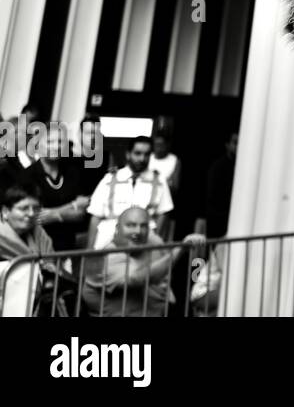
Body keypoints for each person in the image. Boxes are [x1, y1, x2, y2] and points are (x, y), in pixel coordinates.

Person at [79, 206, 206, 317]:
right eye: (130, 225)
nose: (138, 231)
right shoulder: (102, 258)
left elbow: (164, 267)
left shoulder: (150, 240)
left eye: (143, 226)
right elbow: (136, 279)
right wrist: (180, 249)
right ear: (117, 228)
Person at [86, 135, 173, 249]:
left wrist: (156, 246)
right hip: (109, 239)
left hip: (144, 240)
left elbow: (164, 213)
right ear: (128, 154)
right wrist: (89, 249)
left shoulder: (159, 180)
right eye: (137, 153)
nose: (142, 158)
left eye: (146, 154)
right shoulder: (110, 178)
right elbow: (95, 215)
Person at [0, 184, 70, 316]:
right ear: (5, 212)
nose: (31, 213)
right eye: (23, 208)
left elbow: (51, 264)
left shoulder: (39, 233)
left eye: (36, 208)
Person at [22, 123, 92, 251]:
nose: (56, 146)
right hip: (39, 247)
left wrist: (55, 214)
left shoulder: (73, 172)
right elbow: (37, 217)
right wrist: (72, 206)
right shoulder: (28, 176)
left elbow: (82, 211)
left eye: (60, 141)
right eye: (49, 142)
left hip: (70, 244)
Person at [201, 132, 237, 238]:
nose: (238, 147)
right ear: (227, 145)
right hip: (218, 222)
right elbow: (213, 197)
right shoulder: (218, 167)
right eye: (235, 143)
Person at [149, 132, 181, 196]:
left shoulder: (174, 160)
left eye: (161, 145)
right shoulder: (148, 157)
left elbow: (174, 186)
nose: (158, 148)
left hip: (165, 197)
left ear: (167, 145)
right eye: (156, 145)